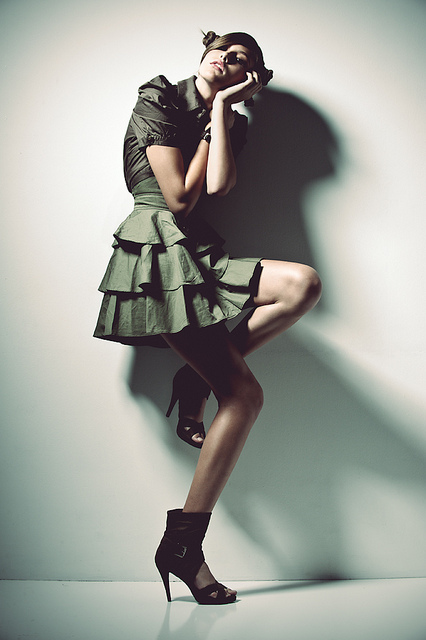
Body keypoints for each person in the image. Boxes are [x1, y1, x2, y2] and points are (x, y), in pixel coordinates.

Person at [94, 30, 322, 604]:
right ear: (204, 53)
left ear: (250, 80)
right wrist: (213, 112)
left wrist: (221, 109)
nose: (226, 58)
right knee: (243, 396)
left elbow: (217, 185)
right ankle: (183, 545)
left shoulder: (230, 121)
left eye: (241, 59)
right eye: (220, 49)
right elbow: (176, 199)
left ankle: (193, 380)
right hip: (156, 252)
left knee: (301, 284)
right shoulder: (159, 98)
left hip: (197, 252)